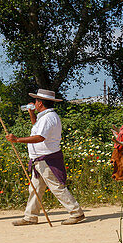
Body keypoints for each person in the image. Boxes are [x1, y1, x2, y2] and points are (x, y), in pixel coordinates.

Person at [7, 88, 85, 226]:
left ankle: (76, 213)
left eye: (36, 101)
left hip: (47, 159)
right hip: (40, 159)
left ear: (40, 103)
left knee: (56, 187)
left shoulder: (48, 118)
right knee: (35, 188)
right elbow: (36, 128)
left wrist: (17, 139)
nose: (35, 103)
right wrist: (31, 114)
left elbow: (39, 137)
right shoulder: (44, 117)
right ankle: (30, 216)